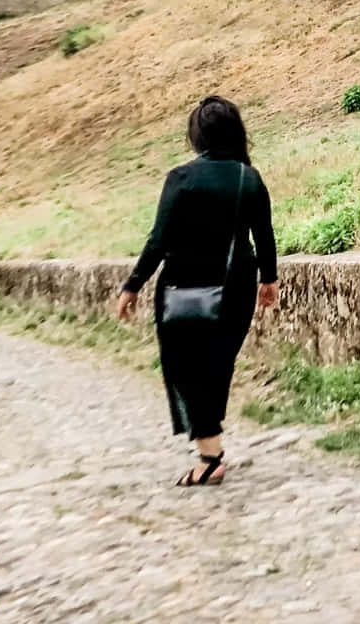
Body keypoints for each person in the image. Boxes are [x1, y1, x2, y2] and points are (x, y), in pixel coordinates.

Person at [114, 95, 279, 487]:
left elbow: (158, 240)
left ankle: (210, 457)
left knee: (185, 370)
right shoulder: (247, 177)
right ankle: (211, 448)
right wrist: (268, 280)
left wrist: (132, 285)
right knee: (218, 365)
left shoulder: (182, 178)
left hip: (182, 290)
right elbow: (265, 234)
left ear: (197, 136)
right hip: (236, 288)